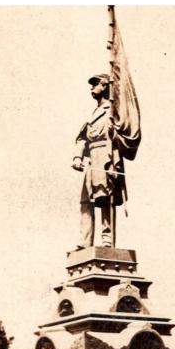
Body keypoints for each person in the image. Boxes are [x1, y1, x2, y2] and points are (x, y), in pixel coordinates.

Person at [71, 73, 140, 250]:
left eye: (95, 84)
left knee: (105, 197)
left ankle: (107, 238)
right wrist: (78, 156)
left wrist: (116, 130)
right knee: (86, 200)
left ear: (105, 86)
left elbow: (127, 130)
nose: (91, 87)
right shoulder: (93, 113)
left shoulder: (113, 111)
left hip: (107, 156)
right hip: (92, 158)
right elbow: (82, 138)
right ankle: (85, 240)